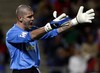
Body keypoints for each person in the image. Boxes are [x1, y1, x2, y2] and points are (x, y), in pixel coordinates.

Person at [5, 4, 95, 73]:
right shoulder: (12, 33)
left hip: (34, 69)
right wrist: (48, 27)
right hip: (21, 71)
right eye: (29, 17)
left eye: (33, 16)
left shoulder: (33, 30)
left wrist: (75, 21)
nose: (32, 18)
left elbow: (55, 31)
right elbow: (29, 37)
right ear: (20, 18)